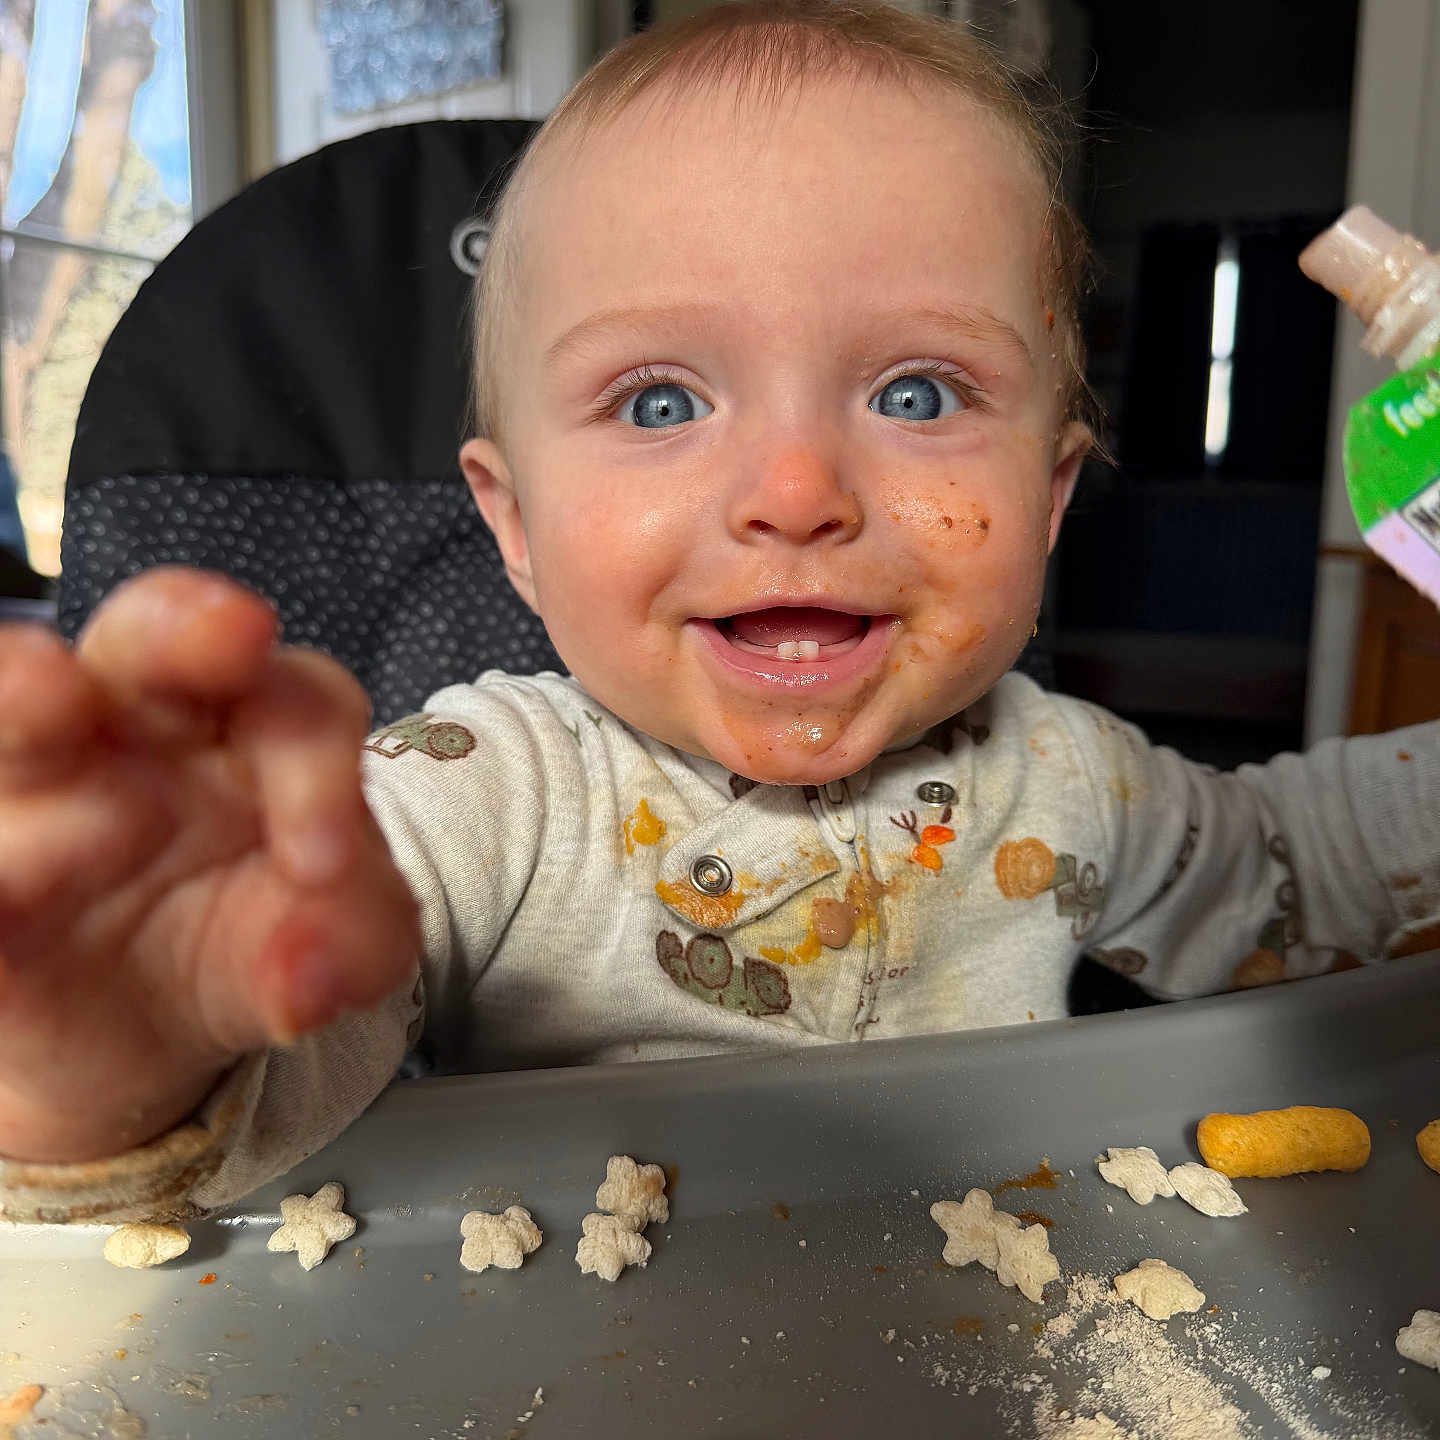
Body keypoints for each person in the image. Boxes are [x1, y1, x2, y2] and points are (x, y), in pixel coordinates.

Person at [0, 0, 1435, 1224]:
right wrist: (137, 1040)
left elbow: (1299, 871)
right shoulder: (487, 797)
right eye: (663, 401)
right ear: (511, 523)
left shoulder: (1070, 782)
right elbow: (284, 1049)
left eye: (916, 394)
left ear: (1051, 498)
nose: (797, 490)